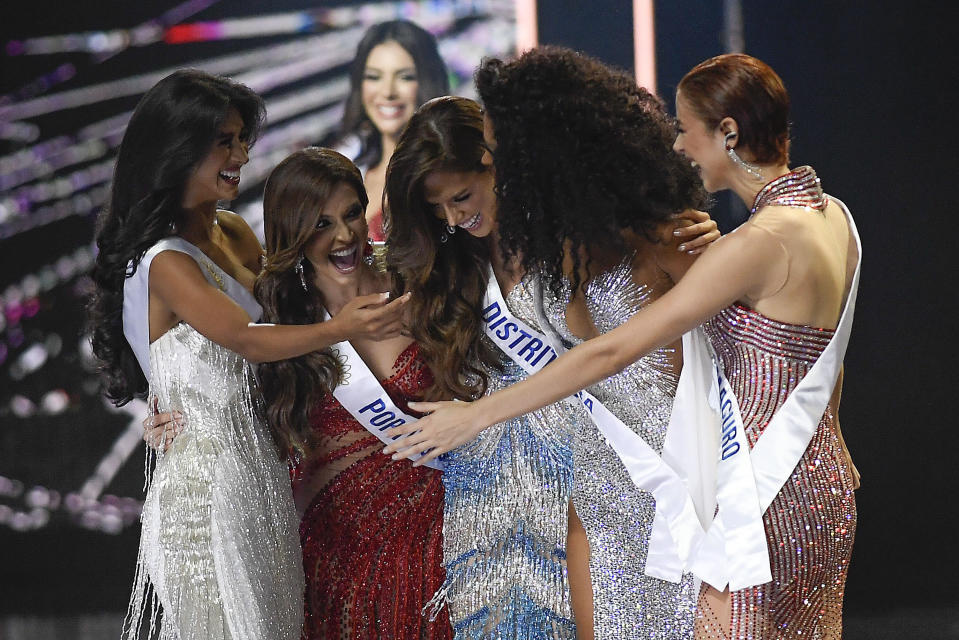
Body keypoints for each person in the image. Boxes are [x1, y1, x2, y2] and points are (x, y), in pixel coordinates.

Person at [389, 52, 860, 639]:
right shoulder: (544, 243)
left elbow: (778, 353)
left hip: (689, 485)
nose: (460, 210)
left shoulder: (670, 232)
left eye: (497, 156)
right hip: (601, 488)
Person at [384, 87, 719, 637]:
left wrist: (716, 244)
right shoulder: (458, 263)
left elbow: (733, 328)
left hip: (673, 460)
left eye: (462, 196)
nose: (454, 217)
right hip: (567, 482)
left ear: (498, 165)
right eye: (438, 208)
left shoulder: (607, 229)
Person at [89, 70, 406, 640]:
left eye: (241, 139)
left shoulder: (234, 230)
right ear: (180, 148)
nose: (240, 154)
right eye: (224, 142)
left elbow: (283, 311)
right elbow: (246, 338)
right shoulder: (165, 260)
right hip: (207, 490)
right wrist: (339, 328)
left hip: (261, 472)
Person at [253, 147, 451, 639]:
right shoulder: (278, 323)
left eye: (350, 214)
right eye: (320, 225)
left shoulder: (418, 280)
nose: (343, 236)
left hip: (442, 540)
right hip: (339, 556)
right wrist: (165, 419)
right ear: (292, 233)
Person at [334, 20, 449, 242]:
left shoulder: (445, 178)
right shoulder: (346, 174)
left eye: (405, 77)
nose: (387, 92)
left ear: (428, 81)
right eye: (374, 77)